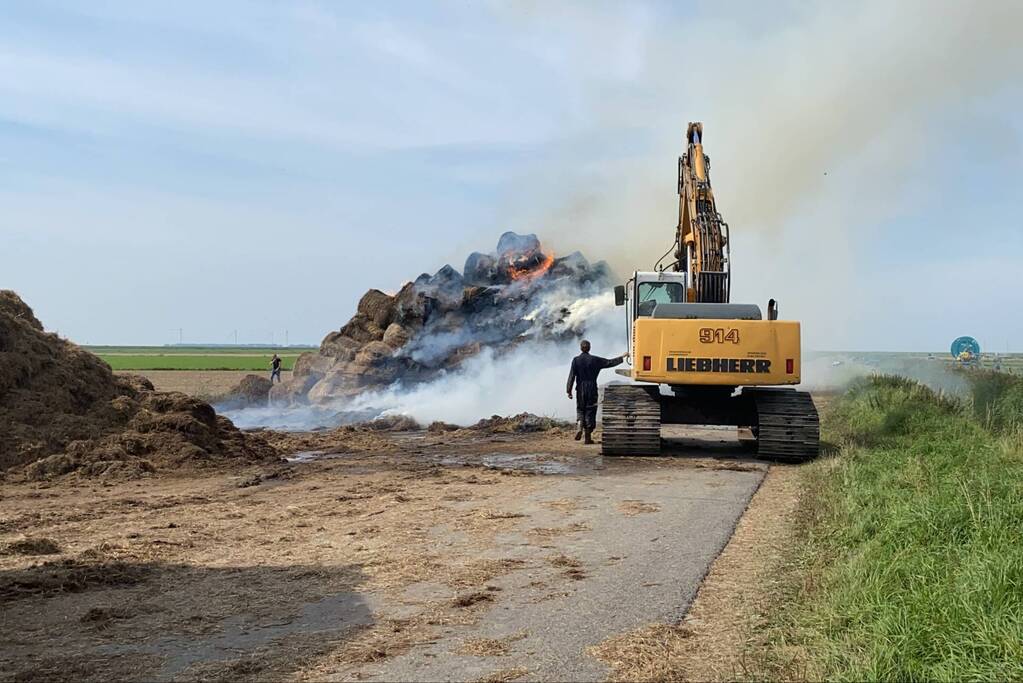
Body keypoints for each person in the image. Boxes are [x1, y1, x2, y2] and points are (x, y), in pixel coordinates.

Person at [567, 340, 627, 444]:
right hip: (592, 387)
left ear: (581, 348)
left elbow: (571, 376)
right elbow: (609, 362)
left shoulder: (576, 360)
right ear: (589, 348)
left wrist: (569, 390)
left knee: (581, 409)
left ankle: (579, 425)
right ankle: (587, 438)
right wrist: (622, 357)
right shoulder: (594, 360)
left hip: (580, 388)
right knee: (590, 410)